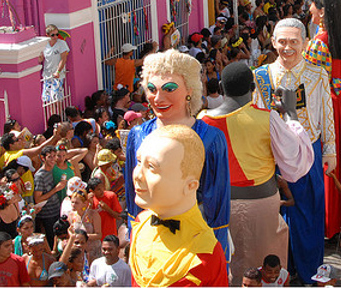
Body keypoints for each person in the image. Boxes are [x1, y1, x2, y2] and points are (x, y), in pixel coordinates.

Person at [200, 62, 312, 285]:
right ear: (253, 87)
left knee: (226, 265)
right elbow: (296, 162)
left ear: (221, 87)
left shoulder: (203, 121)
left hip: (219, 208)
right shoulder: (267, 118)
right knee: (264, 271)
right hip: (262, 205)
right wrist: (290, 114)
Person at [123, 49, 231, 258]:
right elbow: (132, 197)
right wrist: (135, 239)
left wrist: (219, 253)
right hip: (150, 240)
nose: (158, 98)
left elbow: (217, 202)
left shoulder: (210, 138)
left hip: (196, 240)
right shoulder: (138, 135)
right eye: (151, 89)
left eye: (169, 89)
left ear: (189, 90)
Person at [252, 18, 335, 285]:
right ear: (274, 42)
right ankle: (276, 271)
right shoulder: (261, 76)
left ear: (305, 43)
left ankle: (310, 270)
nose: (288, 48)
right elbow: (256, 117)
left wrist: (330, 150)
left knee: (309, 212)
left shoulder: (317, 74)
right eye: (282, 42)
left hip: (308, 152)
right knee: (273, 214)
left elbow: (327, 113)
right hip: (272, 155)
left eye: (294, 42)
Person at [129, 125, 227, 287]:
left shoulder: (207, 252)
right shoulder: (140, 224)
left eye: (151, 167)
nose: (138, 175)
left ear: (190, 185)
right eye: (139, 161)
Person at [304, 0, 341, 240]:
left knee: (329, 161)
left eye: (313, 6)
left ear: (323, 11)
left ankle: (328, 223)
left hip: (327, 105)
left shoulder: (318, 43)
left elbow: (310, 81)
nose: (310, 11)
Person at [33, 146, 67, 248]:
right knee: (52, 241)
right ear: (43, 158)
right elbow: (38, 198)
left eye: (54, 156)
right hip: (47, 215)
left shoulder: (53, 169)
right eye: (50, 157)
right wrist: (56, 189)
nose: (53, 159)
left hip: (56, 210)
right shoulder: (40, 176)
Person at [38, 24, 69, 111]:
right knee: (47, 99)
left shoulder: (61, 44)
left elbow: (63, 59)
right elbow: (41, 59)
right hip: (47, 75)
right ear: (47, 35)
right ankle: (52, 116)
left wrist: (58, 71)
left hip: (57, 75)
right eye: (53, 35)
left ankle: (59, 116)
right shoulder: (45, 45)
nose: (55, 37)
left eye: (57, 34)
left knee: (56, 98)